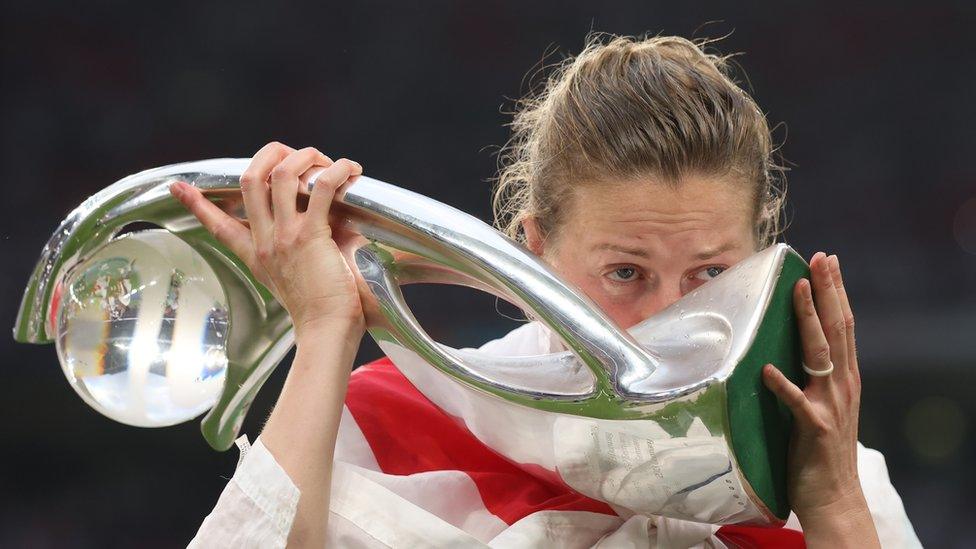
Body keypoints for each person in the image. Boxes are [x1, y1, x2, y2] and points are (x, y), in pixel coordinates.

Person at [172, 33, 920, 547]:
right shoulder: (394, 420)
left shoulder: (829, 472)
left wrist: (835, 507)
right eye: (625, 272)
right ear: (534, 253)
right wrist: (326, 327)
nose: (669, 314)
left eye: (711, 275)